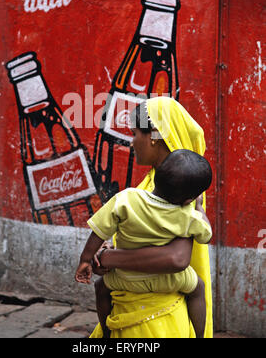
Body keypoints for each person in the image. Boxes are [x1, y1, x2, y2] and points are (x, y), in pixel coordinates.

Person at [90, 97, 213, 338]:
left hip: (155, 320)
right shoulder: (167, 184)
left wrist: (107, 257)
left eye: (135, 133)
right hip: (136, 306)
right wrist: (108, 248)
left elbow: (176, 257)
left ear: (155, 136)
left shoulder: (177, 189)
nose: (131, 141)